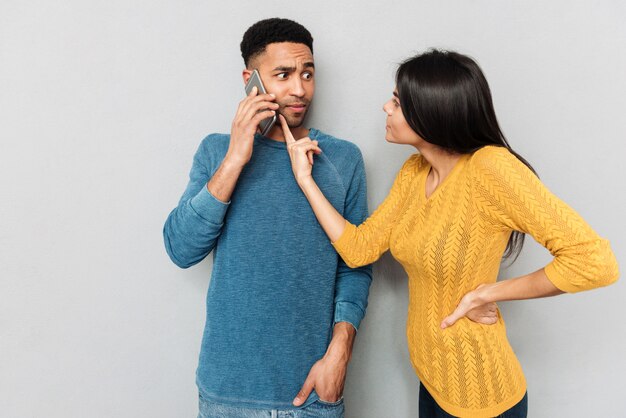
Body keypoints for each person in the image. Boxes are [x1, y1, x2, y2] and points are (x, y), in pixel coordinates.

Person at [281, 49, 619, 418]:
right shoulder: (414, 172)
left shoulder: (491, 170)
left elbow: (595, 262)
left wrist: (489, 292)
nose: (385, 108)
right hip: (433, 381)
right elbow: (359, 248)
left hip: (480, 397)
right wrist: (305, 179)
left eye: (396, 101)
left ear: (432, 109)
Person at [162, 17, 375, 418]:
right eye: (284, 74)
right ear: (251, 80)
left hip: (312, 392)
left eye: (308, 73)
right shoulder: (215, 152)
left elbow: (357, 266)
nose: (300, 89)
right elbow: (181, 249)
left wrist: (340, 353)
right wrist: (237, 157)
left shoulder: (342, 159)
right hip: (227, 394)